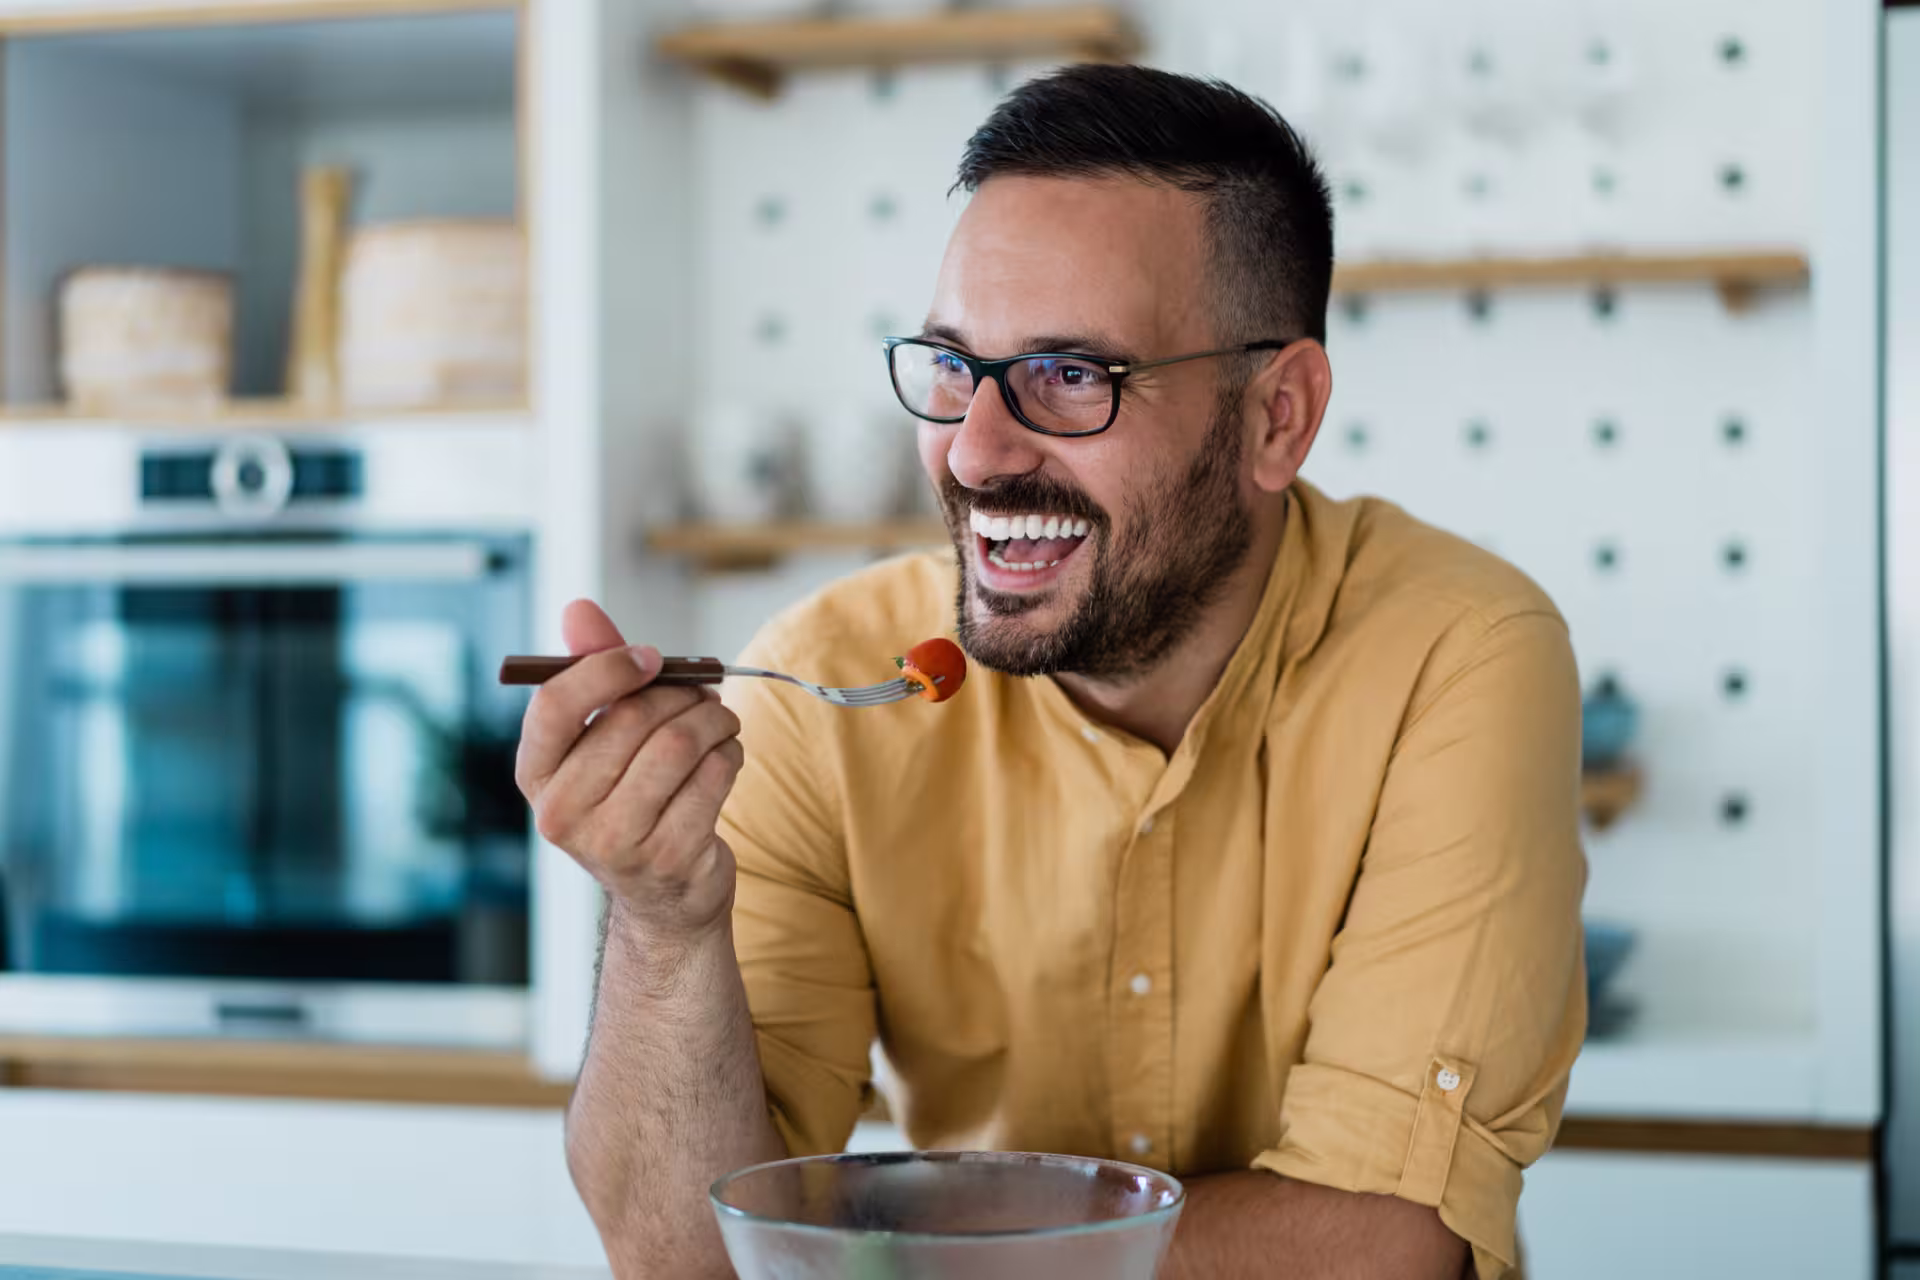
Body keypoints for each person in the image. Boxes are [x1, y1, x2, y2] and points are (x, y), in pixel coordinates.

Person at [515, 64, 1586, 1280]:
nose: (975, 450)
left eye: (1073, 374)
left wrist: (888, 1247)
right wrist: (662, 922)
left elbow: (1376, 1247)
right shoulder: (818, 688)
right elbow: (687, 1255)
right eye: (954, 364)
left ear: (1276, 416)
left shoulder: (1458, 653)